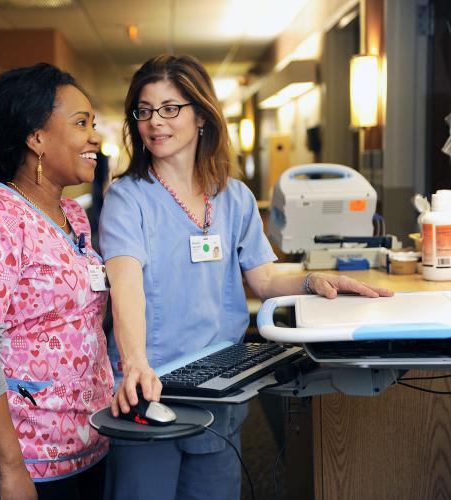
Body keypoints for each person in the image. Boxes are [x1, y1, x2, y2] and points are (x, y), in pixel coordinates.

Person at [98, 54, 393, 500]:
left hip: (219, 383)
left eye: (170, 108)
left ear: (201, 116)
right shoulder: (128, 198)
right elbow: (126, 286)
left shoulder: (233, 197)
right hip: (151, 385)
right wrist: (135, 361)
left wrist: (314, 281)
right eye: (144, 110)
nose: (155, 122)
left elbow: (265, 279)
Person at [0, 63, 113, 500]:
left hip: (87, 439)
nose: (95, 137)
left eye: (93, 123)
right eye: (81, 124)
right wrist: (12, 468)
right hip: (27, 455)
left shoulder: (72, 215)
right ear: (35, 138)